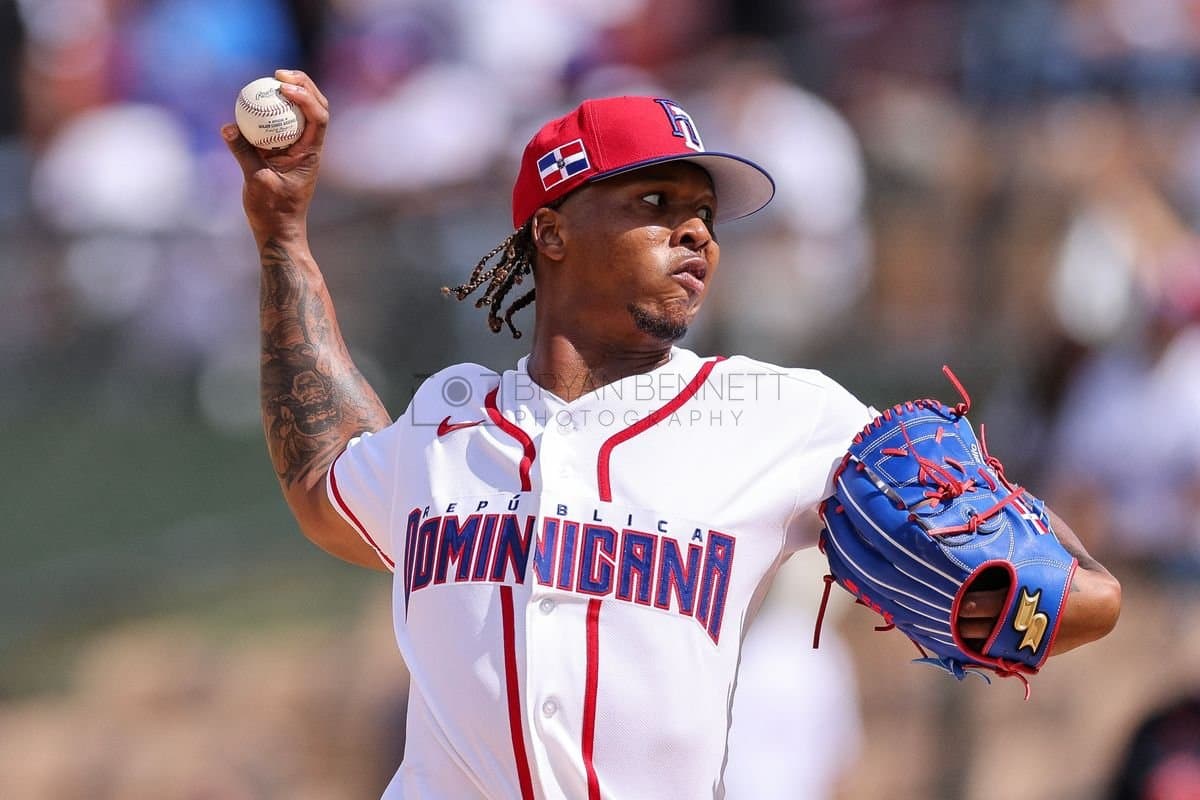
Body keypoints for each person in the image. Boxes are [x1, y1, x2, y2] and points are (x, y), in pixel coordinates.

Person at [222, 69, 1122, 800]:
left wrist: (1020, 590)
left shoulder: (782, 417)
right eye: (657, 201)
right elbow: (322, 479)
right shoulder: (446, 424)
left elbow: (1079, 595)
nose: (696, 231)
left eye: (706, 214)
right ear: (552, 233)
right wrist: (282, 235)